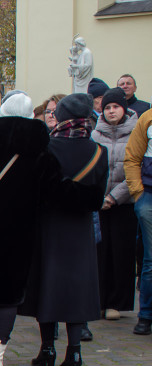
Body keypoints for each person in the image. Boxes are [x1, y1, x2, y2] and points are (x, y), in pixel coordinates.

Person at [0, 91, 105, 366]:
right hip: (17, 235)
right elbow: (58, 191)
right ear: (31, 115)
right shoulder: (39, 152)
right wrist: (93, 197)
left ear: (2, 113)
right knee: (7, 297)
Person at [19, 93, 109, 366]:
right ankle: (75, 352)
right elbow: (97, 198)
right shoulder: (99, 152)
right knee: (77, 289)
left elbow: (35, 191)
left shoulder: (46, 148)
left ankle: (47, 348)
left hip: (48, 226)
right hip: (80, 228)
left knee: (46, 283)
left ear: (62, 117)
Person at [92, 88, 139, 320]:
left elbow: (135, 171)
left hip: (124, 203)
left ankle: (117, 303)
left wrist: (114, 197)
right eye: (108, 107)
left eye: (116, 107)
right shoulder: (95, 134)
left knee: (121, 253)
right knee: (99, 253)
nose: (111, 111)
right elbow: (90, 167)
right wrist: (100, 197)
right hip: (98, 203)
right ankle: (99, 299)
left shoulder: (136, 133)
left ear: (124, 109)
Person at [124, 101, 152, 335]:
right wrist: (138, 193)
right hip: (149, 197)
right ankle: (145, 316)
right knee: (150, 261)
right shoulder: (147, 119)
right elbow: (132, 157)